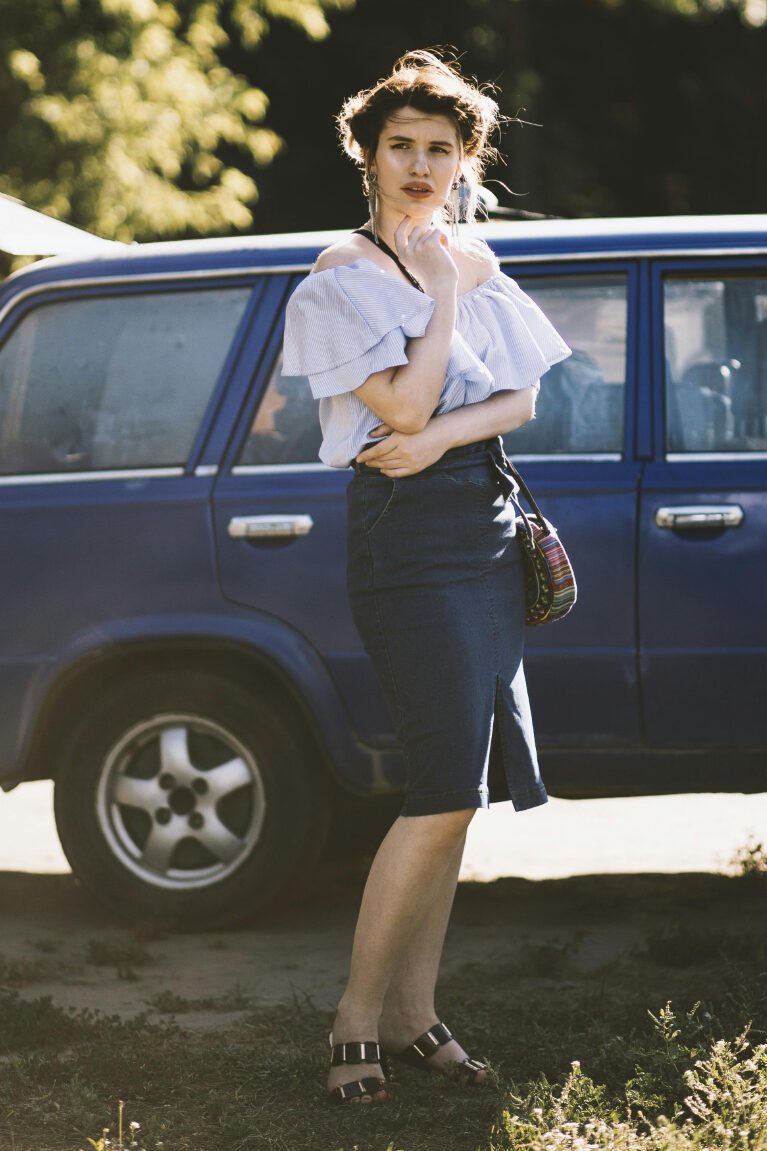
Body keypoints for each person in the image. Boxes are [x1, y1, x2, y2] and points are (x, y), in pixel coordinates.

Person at [282, 49, 571, 1105]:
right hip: (403, 534)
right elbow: (397, 408)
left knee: (460, 797)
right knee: (442, 787)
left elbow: (520, 401)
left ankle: (414, 1011)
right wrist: (442, 301)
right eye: (398, 145)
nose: (418, 165)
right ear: (366, 155)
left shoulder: (470, 259)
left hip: (482, 521)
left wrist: (443, 427)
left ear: (463, 161)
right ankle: (356, 1017)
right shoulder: (338, 278)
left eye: (438, 149)